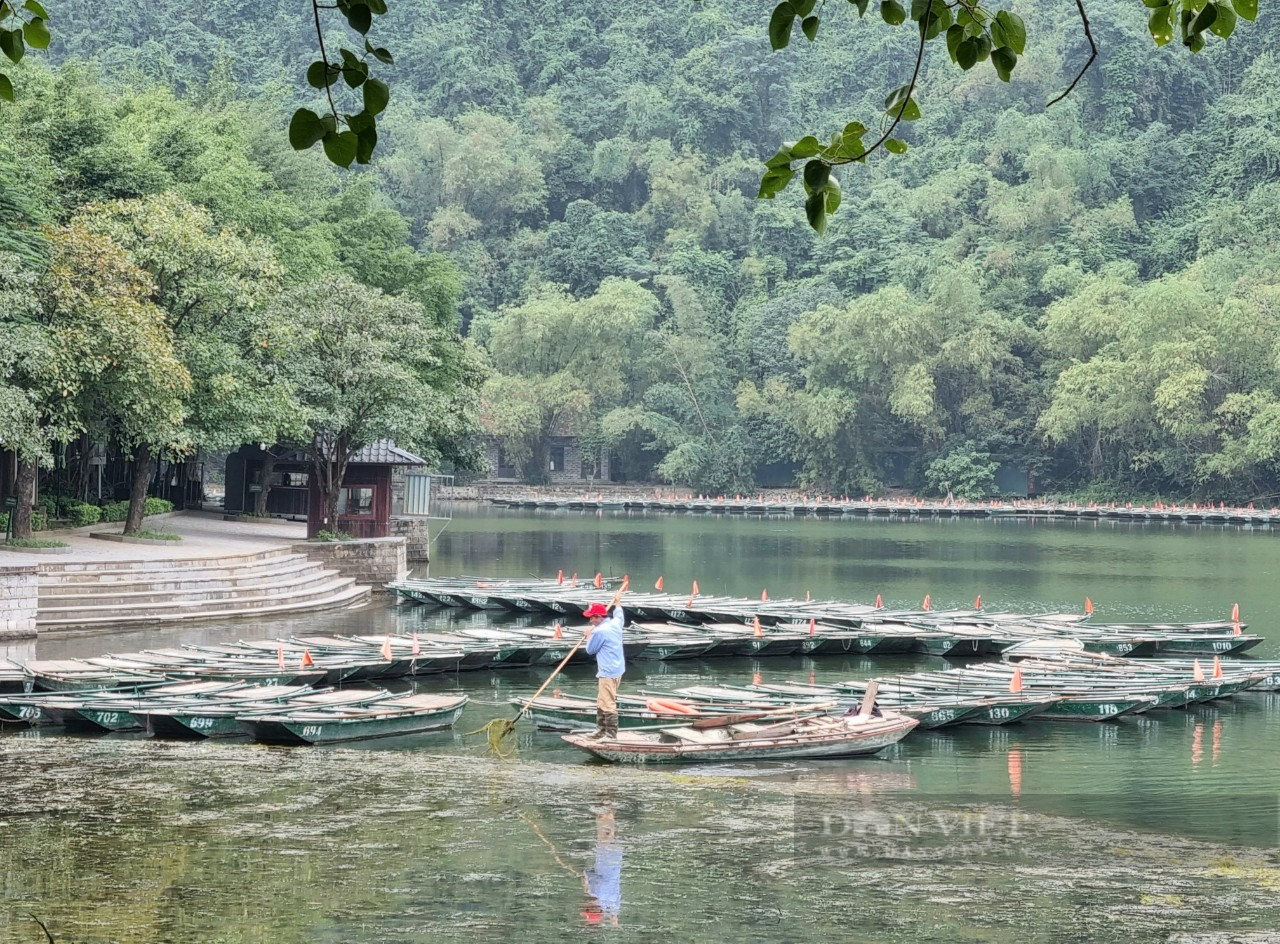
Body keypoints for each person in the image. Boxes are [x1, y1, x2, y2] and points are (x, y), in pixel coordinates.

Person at [583, 587, 625, 740]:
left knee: (608, 703)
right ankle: (600, 730)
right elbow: (619, 615)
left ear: (599, 617)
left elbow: (590, 650)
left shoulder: (599, 632)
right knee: (602, 700)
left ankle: (610, 735)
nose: (590, 621)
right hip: (618, 669)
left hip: (608, 671)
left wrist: (588, 636)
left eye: (592, 618)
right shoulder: (615, 623)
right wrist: (618, 602)